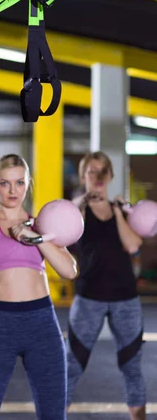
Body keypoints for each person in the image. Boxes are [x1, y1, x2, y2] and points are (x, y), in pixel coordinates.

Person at [0, 153, 77, 420]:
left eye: (19, 182)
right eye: (5, 183)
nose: (13, 190)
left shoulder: (42, 225)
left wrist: (34, 238)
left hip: (42, 325)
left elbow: (69, 270)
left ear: (28, 184)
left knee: (53, 414)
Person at [66, 151, 146, 420]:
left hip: (126, 299)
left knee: (132, 367)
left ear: (110, 176)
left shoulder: (120, 209)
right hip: (89, 298)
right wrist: (83, 201)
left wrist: (117, 211)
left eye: (103, 172)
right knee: (72, 366)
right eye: (92, 172)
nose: (98, 177)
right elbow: (61, 220)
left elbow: (133, 245)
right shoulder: (76, 211)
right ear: (83, 176)